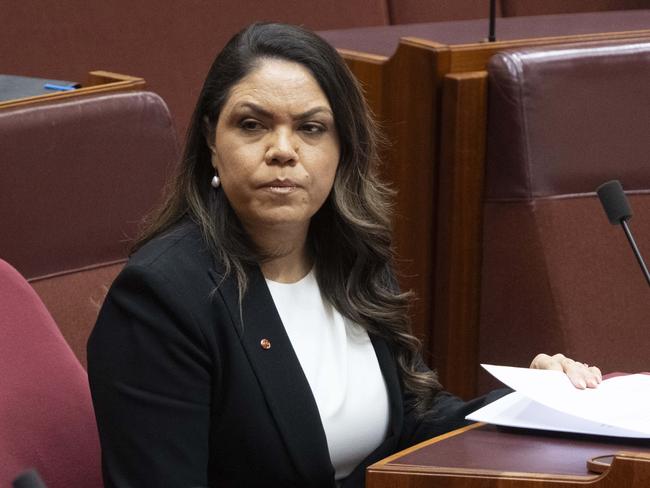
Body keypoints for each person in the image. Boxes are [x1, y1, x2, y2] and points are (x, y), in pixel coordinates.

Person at [87, 22, 602, 488]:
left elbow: (414, 423)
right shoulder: (162, 298)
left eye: (311, 128)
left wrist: (529, 403)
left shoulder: (348, 256)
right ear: (211, 140)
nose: (282, 149)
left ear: (342, 149)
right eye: (252, 125)